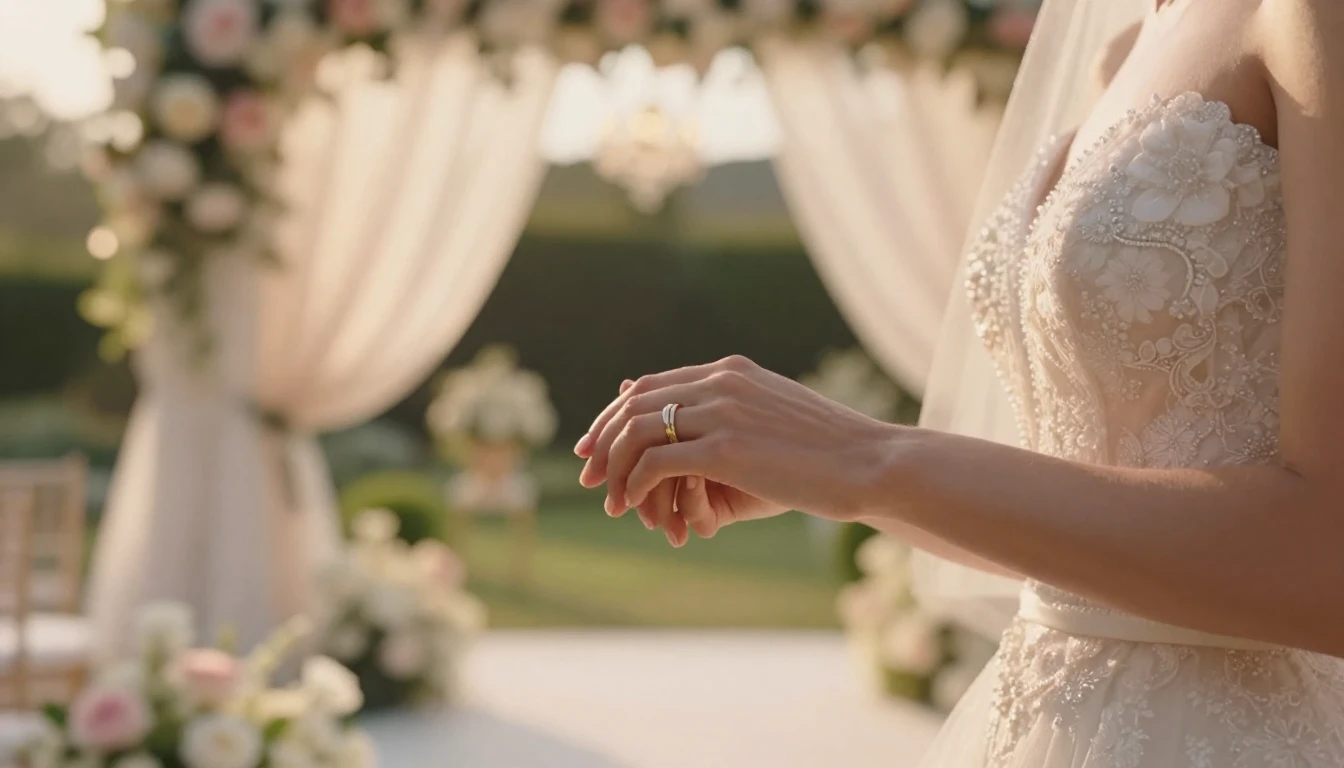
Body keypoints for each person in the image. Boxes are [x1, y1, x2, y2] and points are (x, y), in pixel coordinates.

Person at [574, 0, 1344, 764]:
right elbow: (1100, 530)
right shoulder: (1126, 46)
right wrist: (823, 466)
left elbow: (1324, 559)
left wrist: (868, 459)